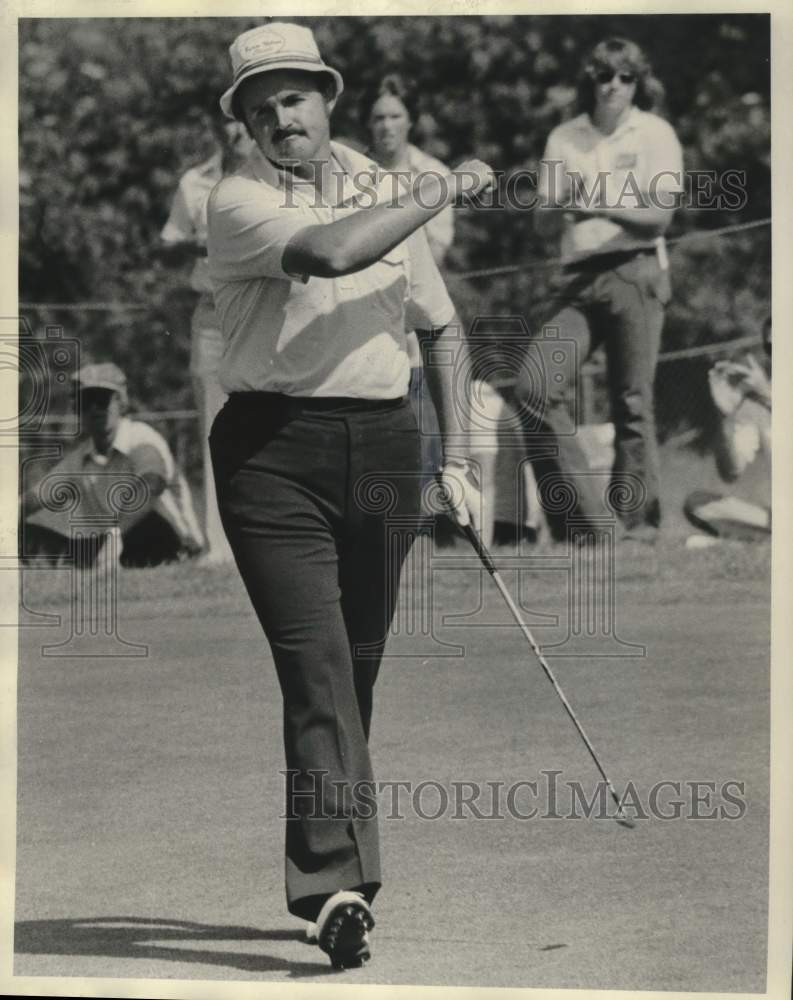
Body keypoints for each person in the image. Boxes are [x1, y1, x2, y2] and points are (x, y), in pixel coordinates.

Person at [206, 22, 492, 969]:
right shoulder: (237, 201)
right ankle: (330, 888)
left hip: (383, 444)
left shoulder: (384, 189)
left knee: (352, 669)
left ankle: (335, 868)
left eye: (294, 95)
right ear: (242, 122)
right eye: (260, 104)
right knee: (319, 666)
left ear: (327, 97)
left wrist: (458, 461)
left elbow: (442, 331)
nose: (279, 117)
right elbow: (330, 253)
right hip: (270, 457)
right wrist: (439, 187)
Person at [517, 37, 684, 544]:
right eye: (605, 75)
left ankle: (635, 528)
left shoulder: (654, 133)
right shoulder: (564, 137)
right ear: (590, 79)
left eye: (625, 76)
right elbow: (544, 228)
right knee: (533, 388)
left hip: (637, 269)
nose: (614, 85)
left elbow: (657, 220)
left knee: (632, 403)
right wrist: (555, 205)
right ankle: (588, 529)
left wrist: (599, 202)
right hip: (579, 276)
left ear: (639, 82)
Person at [160, 114, 254, 564]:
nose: (235, 133)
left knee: (276, 421)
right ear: (216, 130)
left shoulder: (275, 173)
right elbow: (169, 242)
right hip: (214, 313)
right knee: (215, 428)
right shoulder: (195, 183)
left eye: (242, 123)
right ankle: (220, 547)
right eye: (227, 125)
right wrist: (201, 243)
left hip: (263, 309)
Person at [360, 74, 455, 509]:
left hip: (415, 309)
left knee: (426, 427)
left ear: (410, 120)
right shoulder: (350, 174)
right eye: (378, 117)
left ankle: (429, 521)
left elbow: (435, 249)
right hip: (366, 314)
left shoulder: (433, 175)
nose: (386, 126)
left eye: (395, 115)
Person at [22, 363, 204, 567]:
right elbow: (33, 499)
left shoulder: (141, 437)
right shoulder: (81, 457)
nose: (93, 409)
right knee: (23, 534)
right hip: (115, 543)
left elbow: (152, 482)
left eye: (101, 399)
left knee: (146, 525)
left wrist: (116, 534)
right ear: (76, 409)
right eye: (86, 401)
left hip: (173, 542)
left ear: (121, 402)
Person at [684, 319, 771, 543]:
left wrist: (769, 396)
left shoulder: (767, 397)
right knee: (698, 503)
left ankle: (744, 540)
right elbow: (731, 471)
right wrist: (724, 417)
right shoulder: (754, 407)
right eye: (771, 347)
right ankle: (765, 539)